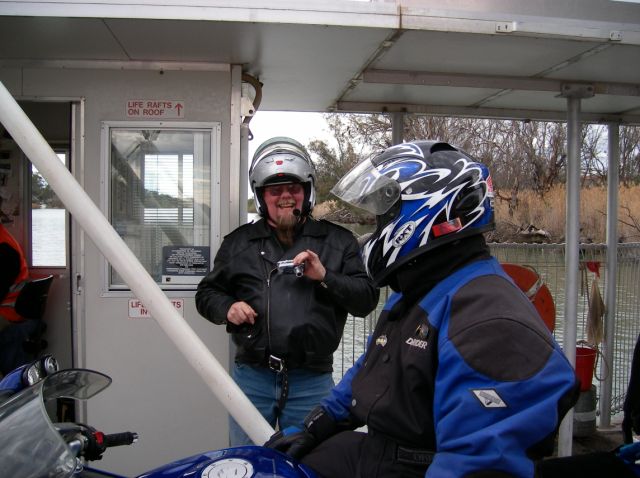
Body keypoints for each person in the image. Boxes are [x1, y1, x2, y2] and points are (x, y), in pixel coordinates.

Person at [265, 140, 580, 477]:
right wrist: (317, 424)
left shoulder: (489, 321)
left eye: (384, 216)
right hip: (381, 450)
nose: (377, 229)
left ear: (427, 208)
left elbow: (473, 463)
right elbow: (373, 366)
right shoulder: (424, 286)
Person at [195, 136, 379, 446]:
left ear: (307, 191)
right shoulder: (238, 243)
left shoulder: (339, 242)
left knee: (312, 460)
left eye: (293, 188)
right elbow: (206, 294)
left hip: (312, 380)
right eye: (275, 190)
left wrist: (325, 276)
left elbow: (366, 300)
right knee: (248, 459)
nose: (285, 196)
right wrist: (227, 308)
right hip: (252, 378)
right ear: (261, 196)